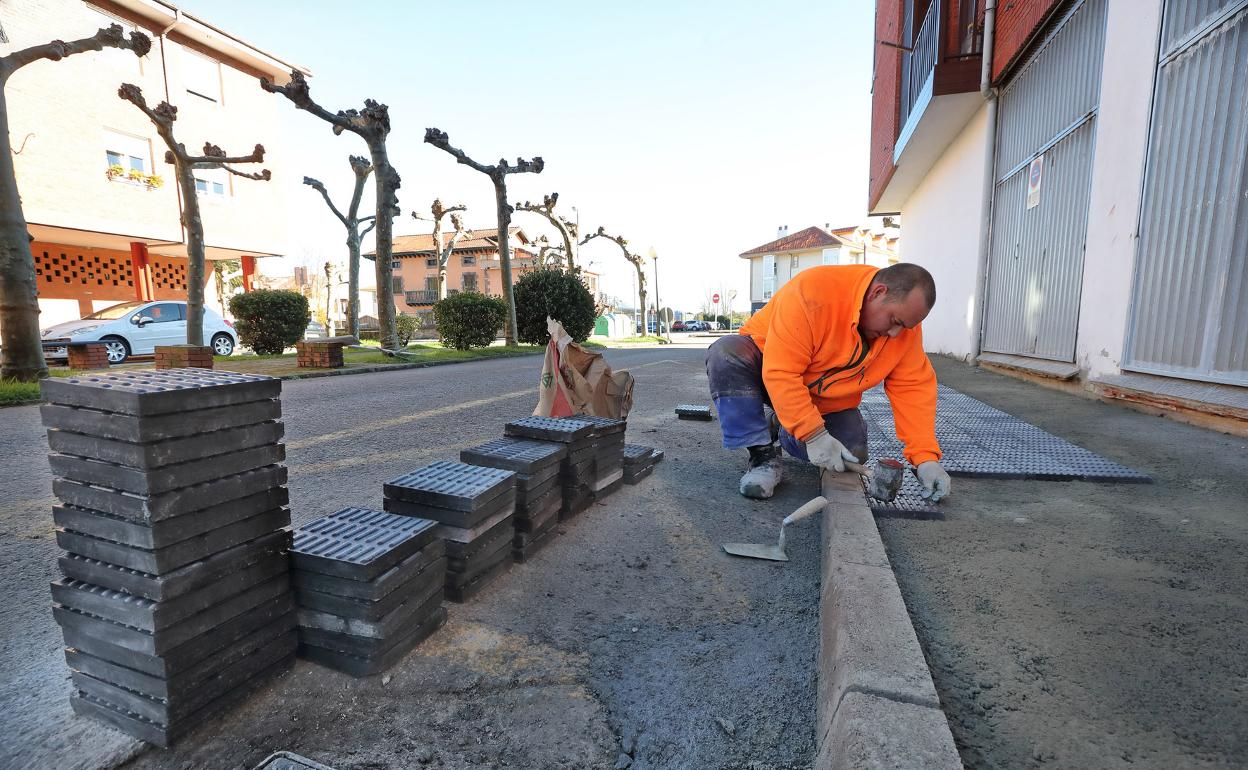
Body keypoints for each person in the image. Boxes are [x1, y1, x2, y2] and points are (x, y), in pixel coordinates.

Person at [705, 262, 950, 502]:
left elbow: (912, 388)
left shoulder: (904, 329)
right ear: (878, 292)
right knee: (727, 353)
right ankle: (762, 456)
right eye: (895, 321)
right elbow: (781, 372)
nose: (895, 334)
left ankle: (782, 423)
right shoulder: (813, 293)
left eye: (905, 327)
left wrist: (926, 459)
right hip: (767, 371)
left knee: (852, 452)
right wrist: (813, 434)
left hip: (823, 400)